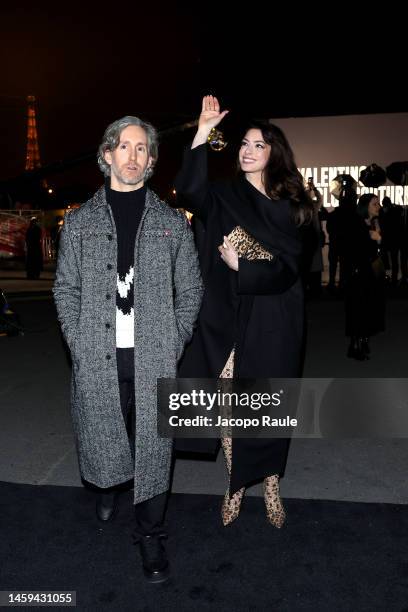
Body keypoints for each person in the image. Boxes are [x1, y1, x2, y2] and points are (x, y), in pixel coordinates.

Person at [53, 116, 203, 583]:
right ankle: (107, 485)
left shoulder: (170, 223)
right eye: (124, 147)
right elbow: (66, 289)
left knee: (155, 451)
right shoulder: (79, 223)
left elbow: (191, 288)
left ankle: (151, 534)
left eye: (142, 149)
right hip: (98, 355)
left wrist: (174, 341)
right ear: (106, 155)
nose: (132, 156)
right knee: (104, 438)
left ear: (152, 161)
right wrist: (78, 342)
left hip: (155, 356)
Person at [175, 96, 313, 527]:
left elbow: (291, 269)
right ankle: (236, 482)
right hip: (225, 313)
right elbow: (189, 192)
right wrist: (201, 132)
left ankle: (270, 482)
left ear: (275, 154)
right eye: (245, 144)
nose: (249, 150)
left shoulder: (292, 206)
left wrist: (245, 265)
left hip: (274, 315)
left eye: (259, 145)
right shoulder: (224, 195)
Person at [345, 193, 385, 360]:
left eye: (378, 203)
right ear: (366, 206)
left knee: (370, 308)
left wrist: (379, 239)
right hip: (358, 274)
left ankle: (364, 340)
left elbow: (381, 248)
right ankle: (355, 345)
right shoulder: (356, 223)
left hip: (372, 273)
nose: (379, 206)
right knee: (358, 309)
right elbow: (355, 250)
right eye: (375, 204)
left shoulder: (375, 223)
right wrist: (373, 238)